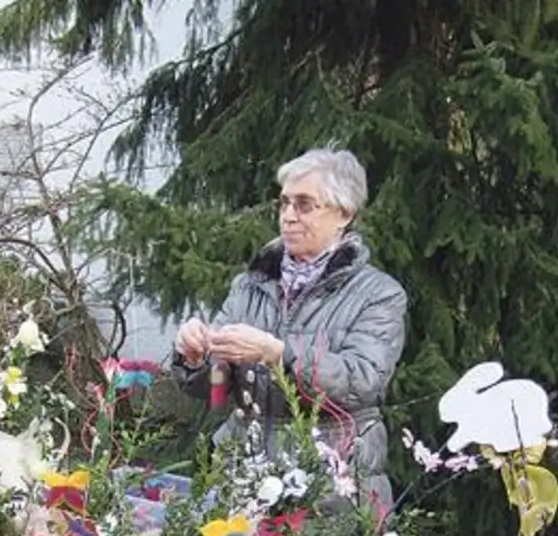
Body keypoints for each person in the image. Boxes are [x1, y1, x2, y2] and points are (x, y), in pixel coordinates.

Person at [171, 148, 407, 508]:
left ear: (344, 213)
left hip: (329, 491)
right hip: (243, 482)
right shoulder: (250, 285)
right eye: (283, 203)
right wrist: (195, 356)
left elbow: (363, 381)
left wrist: (278, 354)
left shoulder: (379, 294)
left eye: (304, 205)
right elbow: (214, 392)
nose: (288, 216)